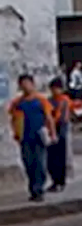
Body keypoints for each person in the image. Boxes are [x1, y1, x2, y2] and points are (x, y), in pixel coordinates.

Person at [7, 74, 56, 202]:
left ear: (33, 84)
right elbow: (13, 118)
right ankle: (32, 189)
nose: (26, 86)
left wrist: (52, 133)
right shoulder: (17, 103)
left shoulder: (41, 100)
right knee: (28, 164)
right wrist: (16, 132)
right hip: (25, 137)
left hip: (39, 136)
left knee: (40, 163)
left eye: (28, 83)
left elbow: (49, 118)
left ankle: (39, 189)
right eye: (23, 84)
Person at [46, 78, 72, 192]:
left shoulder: (64, 100)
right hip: (50, 130)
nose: (55, 91)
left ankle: (60, 181)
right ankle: (54, 181)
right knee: (50, 158)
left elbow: (65, 118)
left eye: (57, 89)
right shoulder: (48, 101)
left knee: (60, 157)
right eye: (53, 89)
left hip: (61, 130)